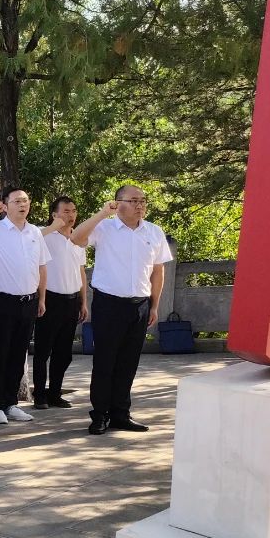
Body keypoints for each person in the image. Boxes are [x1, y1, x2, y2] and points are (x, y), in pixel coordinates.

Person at [70, 186, 173, 434]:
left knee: (129, 362)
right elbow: (76, 238)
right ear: (118, 203)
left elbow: (158, 271)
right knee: (105, 361)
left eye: (143, 200)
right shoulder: (104, 227)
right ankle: (100, 414)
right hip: (109, 304)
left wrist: (154, 305)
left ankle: (120, 413)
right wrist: (102, 213)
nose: (140, 205)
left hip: (140, 305)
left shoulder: (154, 231)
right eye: (134, 200)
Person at [0, 189, 50, 424]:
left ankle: (10, 402)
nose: (22, 204)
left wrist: (42, 298)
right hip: (3, 301)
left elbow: (42, 266)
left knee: (18, 354)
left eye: (25, 200)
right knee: (1, 353)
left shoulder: (35, 232)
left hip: (29, 301)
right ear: (5, 206)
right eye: (16, 201)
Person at [35, 197, 88, 410]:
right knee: (43, 350)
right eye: (66, 211)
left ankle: (55, 393)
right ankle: (39, 394)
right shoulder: (45, 235)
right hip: (50, 299)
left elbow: (81, 272)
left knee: (64, 353)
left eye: (73, 211)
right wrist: (53, 227)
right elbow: (29, 239)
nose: (71, 215)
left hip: (72, 300)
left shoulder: (78, 238)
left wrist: (84, 302)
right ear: (54, 214)